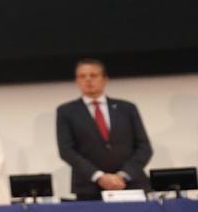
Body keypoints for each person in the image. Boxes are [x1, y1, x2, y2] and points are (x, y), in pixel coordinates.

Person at [56, 59, 153, 201]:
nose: (88, 80)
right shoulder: (67, 111)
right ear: (76, 81)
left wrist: (123, 175)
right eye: (82, 76)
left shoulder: (127, 108)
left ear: (105, 79)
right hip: (89, 188)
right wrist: (99, 176)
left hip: (130, 184)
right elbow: (67, 150)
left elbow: (144, 147)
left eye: (93, 75)